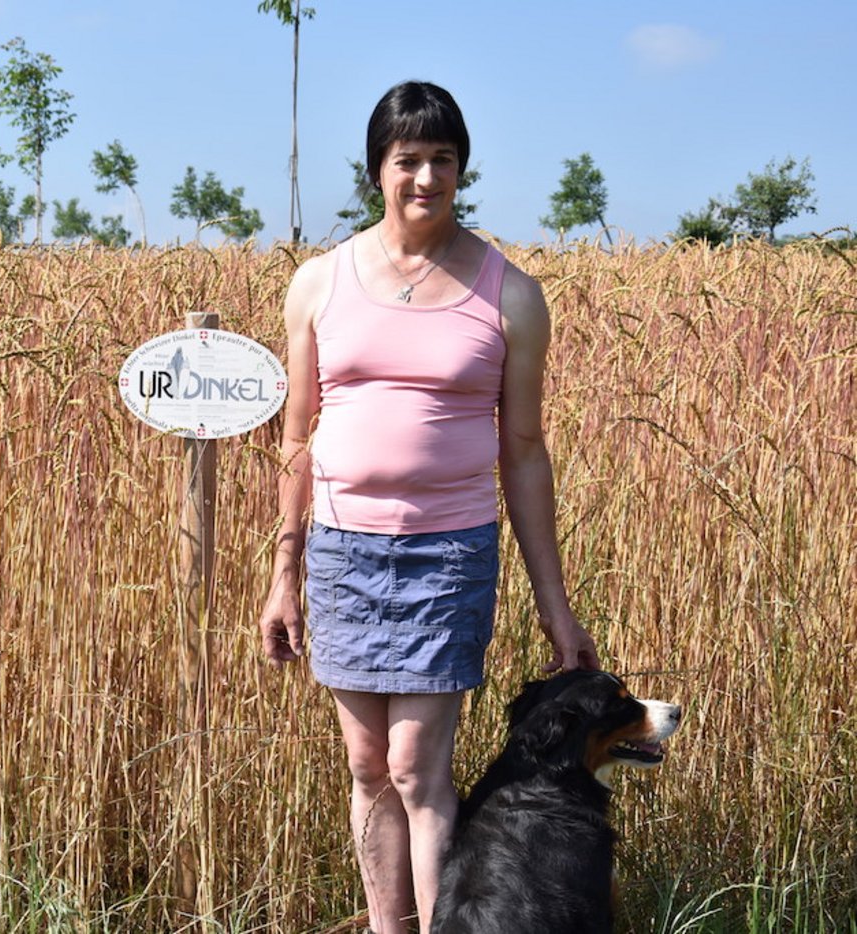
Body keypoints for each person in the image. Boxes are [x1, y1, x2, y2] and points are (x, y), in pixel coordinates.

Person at [256, 80, 600, 934]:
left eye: (442, 159)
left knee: (416, 766)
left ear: (461, 170)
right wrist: (282, 576)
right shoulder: (318, 285)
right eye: (407, 159)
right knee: (367, 765)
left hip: (448, 554)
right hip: (342, 551)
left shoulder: (509, 294)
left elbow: (523, 451)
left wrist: (557, 609)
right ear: (378, 169)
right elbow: (297, 438)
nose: (425, 177)